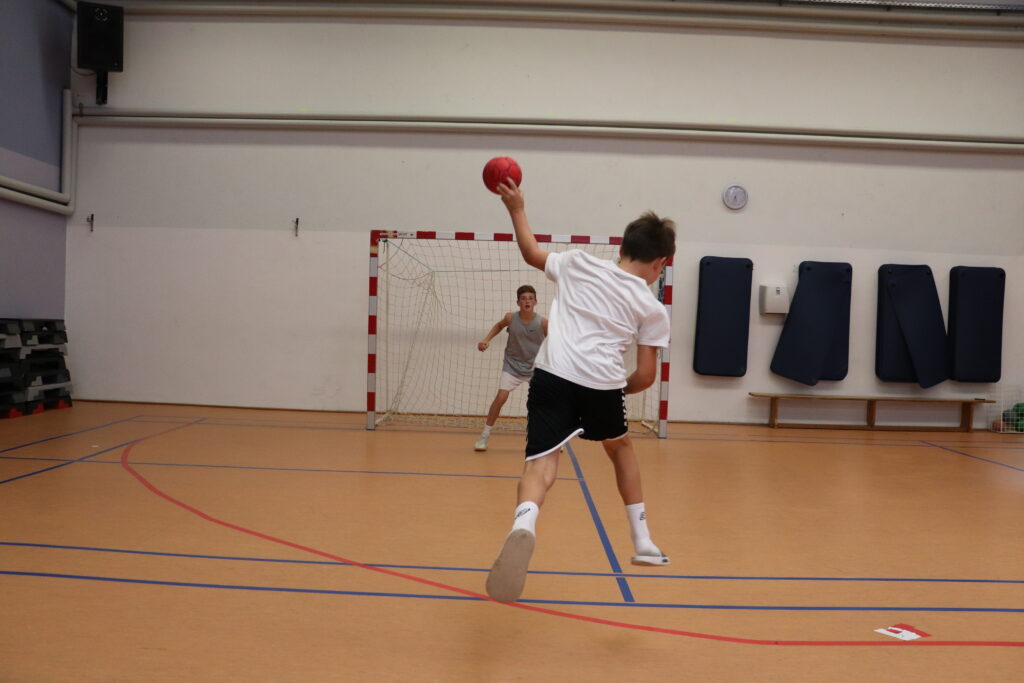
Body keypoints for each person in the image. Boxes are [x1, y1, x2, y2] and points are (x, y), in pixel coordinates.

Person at [485, 178, 675, 603]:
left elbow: (531, 251)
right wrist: (612, 390)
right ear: (660, 262)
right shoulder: (651, 307)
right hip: (603, 383)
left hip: (552, 374)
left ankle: (524, 522)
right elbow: (644, 377)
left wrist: (516, 207)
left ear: (623, 247)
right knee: (620, 448)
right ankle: (642, 540)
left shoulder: (578, 262)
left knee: (541, 463)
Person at [474, 285, 548, 452]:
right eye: (523, 298)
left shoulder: (543, 322)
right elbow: (498, 326)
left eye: (530, 298)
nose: (527, 301)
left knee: (543, 403)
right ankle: (484, 435)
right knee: (501, 397)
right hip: (512, 364)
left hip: (534, 367)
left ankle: (552, 438)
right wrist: (487, 339)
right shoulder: (510, 318)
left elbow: (555, 340)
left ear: (535, 302)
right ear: (518, 302)